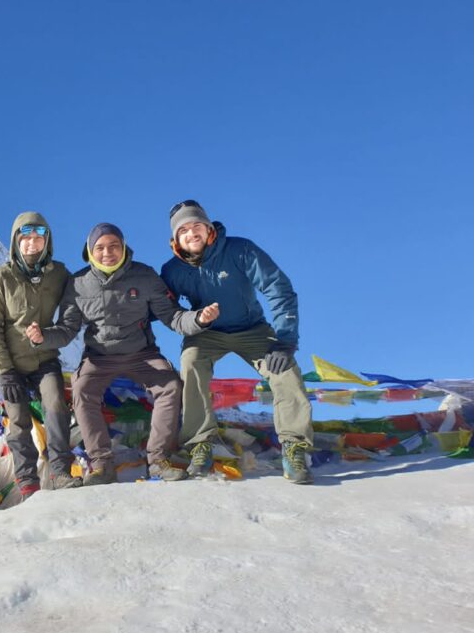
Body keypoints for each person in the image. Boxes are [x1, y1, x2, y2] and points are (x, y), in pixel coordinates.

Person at [29, 223, 218, 484]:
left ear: (124, 247)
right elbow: (66, 330)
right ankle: (101, 465)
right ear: (90, 251)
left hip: (141, 354)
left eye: (114, 246)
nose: (108, 252)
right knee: (82, 389)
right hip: (99, 357)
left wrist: (199, 319)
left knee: (170, 385)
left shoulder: (145, 276)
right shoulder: (78, 284)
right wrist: (43, 337)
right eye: (100, 247)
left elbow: (172, 316)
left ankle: (158, 460)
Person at [161, 200, 314, 484]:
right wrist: (195, 319)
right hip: (206, 334)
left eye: (197, 226)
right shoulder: (172, 271)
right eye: (184, 230)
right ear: (176, 240)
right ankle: (200, 445)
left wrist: (285, 340)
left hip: (252, 329)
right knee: (191, 362)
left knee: (284, 370)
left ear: (209, 230)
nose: (191, 233)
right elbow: (166, 311)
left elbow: (278, 288)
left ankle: (295, 447)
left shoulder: (240, 250)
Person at [0, 211, 75, 500]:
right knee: (18, 417)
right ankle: (27, 483)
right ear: (16, 241)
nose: (32, 243)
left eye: (39, 237)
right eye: (26, 237)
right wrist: (5, 370)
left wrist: (47, 336)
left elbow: (70, 319)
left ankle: (60, 472)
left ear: (47, 241)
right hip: (10, 362)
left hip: (44, 358)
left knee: (56, 405)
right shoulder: (0, 278)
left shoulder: (60, 274)